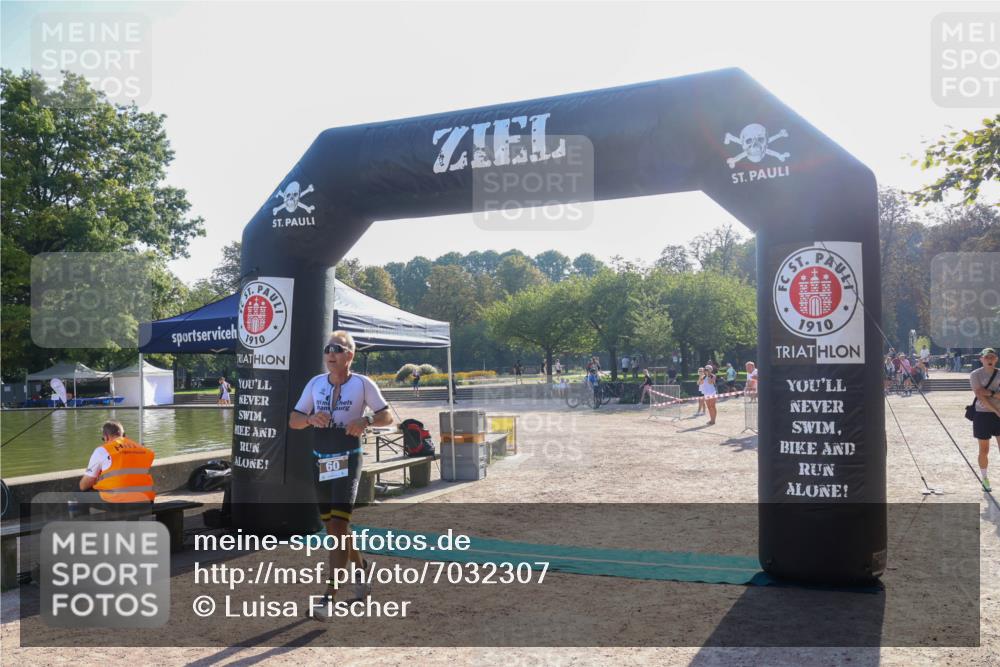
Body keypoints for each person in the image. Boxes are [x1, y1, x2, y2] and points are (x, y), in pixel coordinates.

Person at [289, 330, 393, 618]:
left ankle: (328, 597)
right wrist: (310, 418)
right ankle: (361, 568)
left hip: (348, 457)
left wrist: (366, 419)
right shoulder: (315, 383)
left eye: (338, 349)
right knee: (334, 529)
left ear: (350, 355)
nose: (331, 353)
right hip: (320, 459)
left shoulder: (362, 384)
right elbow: (294, 420)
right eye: (327, 349)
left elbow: (387, 416)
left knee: (337, 527)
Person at [80, 420, 156, 509]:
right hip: (146, 500)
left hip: (118, 502)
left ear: (106, 437)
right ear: (124, 435)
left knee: (78, 493)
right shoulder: (144, 450)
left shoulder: (102, 451)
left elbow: (84, 485)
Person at [969, 348, 1000, 492]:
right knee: (984, 449)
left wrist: (990, 393)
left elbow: (985, 393)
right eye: (987, 357)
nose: (989, 359)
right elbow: (980, 394)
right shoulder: (975, 374)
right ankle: (985, 478)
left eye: (992, 357)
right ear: (981, 359)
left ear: (996, 359)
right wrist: (995, 409)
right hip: (982, 414)